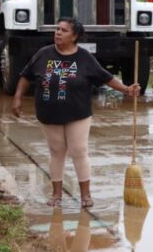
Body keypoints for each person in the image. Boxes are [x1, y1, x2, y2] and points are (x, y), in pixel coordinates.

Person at [12, 17, 139, 207]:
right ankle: (56, 195)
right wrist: (17, 97)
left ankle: (85, 195)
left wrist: (126, 89)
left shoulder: (84, 58)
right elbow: (26, 76)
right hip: (49, 113)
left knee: (79, 151)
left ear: (75, 36)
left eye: (63, 30)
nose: (57, 32)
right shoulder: (43, 54)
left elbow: (105, 77)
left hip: (78, 112)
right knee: (56, 152)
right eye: (57, 29)